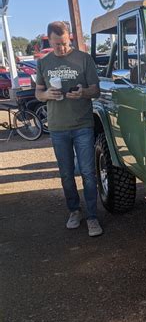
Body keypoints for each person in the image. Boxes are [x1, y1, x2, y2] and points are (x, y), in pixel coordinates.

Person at [35, 21, 103, 237]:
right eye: (56, 45)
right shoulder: (43, 63)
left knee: (88, 173)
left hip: (82, 124)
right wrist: (47, 95)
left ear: (70, 38)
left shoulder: (84, 59)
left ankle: (92, 216)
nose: (61, 49)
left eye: (64, 44)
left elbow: (96, 90)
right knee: (66, 174)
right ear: (49, 41)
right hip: (57, 127)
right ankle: (74, 211)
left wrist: (83, 92)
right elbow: (38, 92)